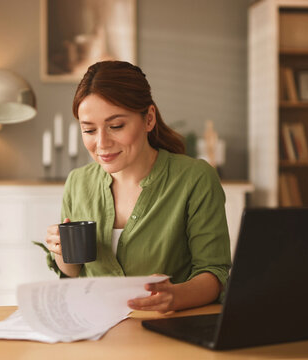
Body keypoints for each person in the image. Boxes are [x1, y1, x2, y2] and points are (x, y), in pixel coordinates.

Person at [45, 60, 231, 313]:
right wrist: (61, 253)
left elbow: (214, 273)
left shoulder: (195, 178)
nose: (101, 143)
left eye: (116, 126)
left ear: (149, 119)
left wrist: (175, 296)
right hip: (96, 330)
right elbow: (74, 274)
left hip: (167, 330)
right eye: (89, 130)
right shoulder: (78, 182)